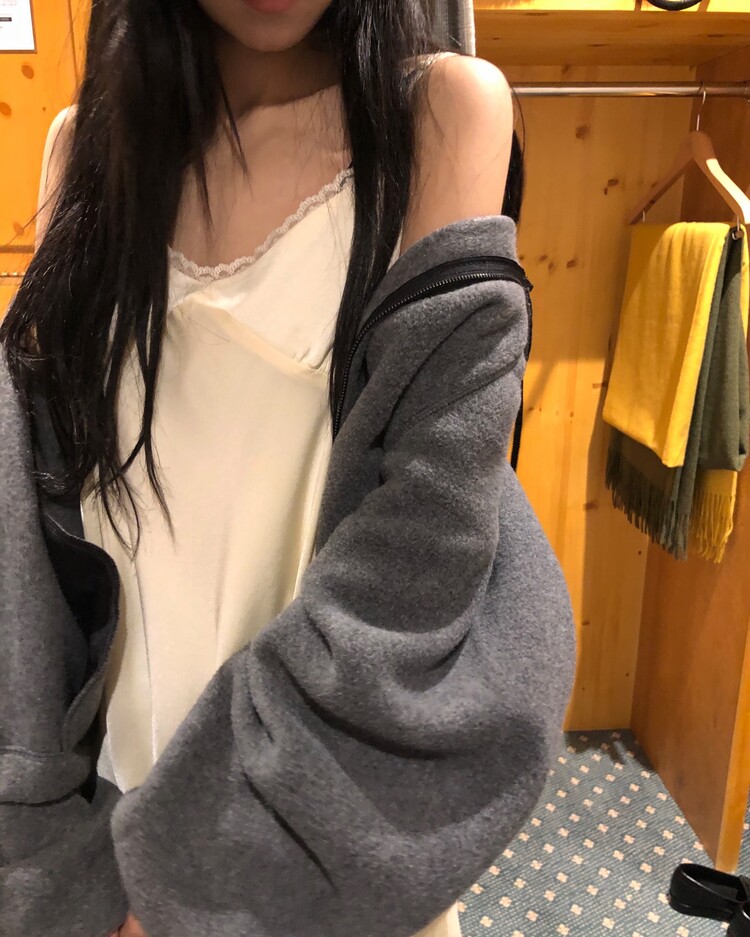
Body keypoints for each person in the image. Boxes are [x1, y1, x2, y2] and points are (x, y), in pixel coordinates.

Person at [0, 2, 576, 936]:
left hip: (315, 822)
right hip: (107, 834)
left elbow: (421, 561)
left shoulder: (441, 116)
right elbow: (33, 542)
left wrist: (193, 885)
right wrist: (55, 859)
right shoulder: (85, 148)